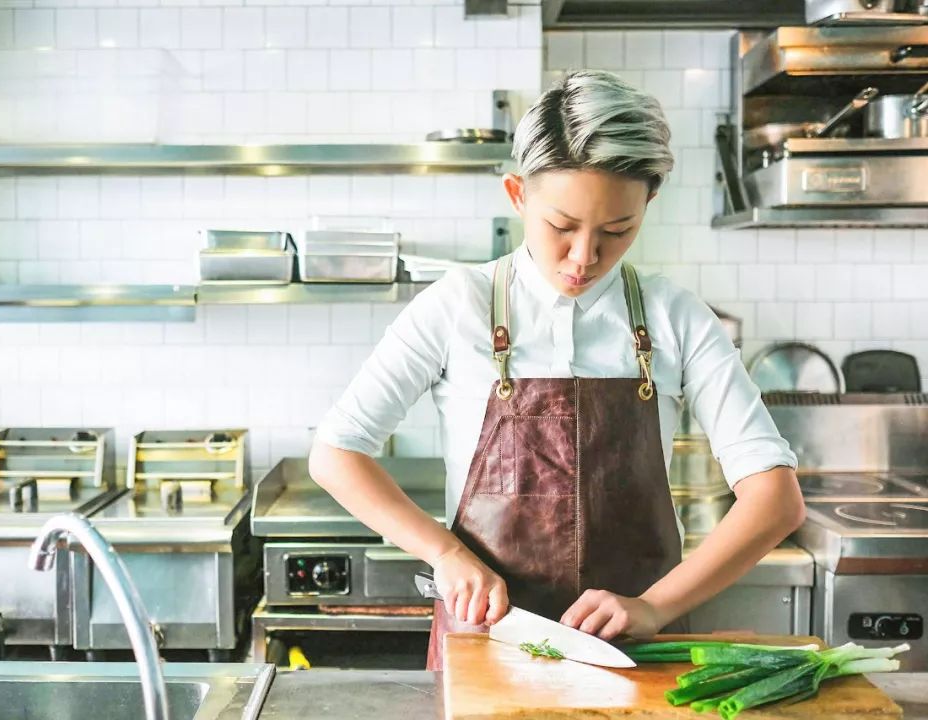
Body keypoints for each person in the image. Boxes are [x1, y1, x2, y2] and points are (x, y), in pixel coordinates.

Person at [308, 70, 806, 671]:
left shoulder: (678, 317)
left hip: (638, 654)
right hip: (488, 641)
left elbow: (775, 500)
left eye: (617, 231)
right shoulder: (457, 304)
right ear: (518, 195)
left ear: (648, 201)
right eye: (561, 227)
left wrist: (651, 607)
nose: (584, 257)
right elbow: (337, 453)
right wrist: (444, 553)